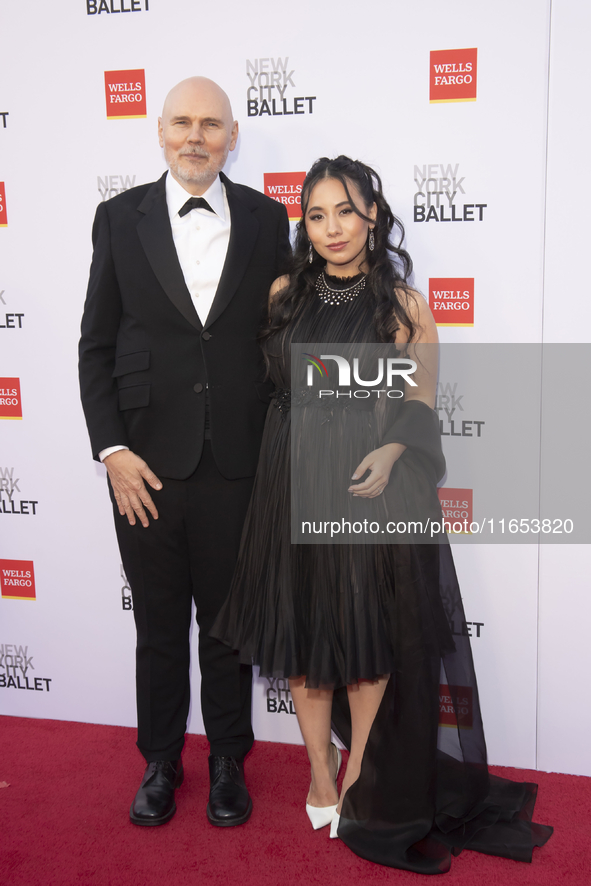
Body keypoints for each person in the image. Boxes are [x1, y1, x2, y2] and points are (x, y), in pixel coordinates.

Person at [211, 156, 552, 873]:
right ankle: (318, 775)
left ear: (373, 216)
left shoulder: (404, 307)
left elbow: (420, 405)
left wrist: (395, 447)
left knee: (365, 641)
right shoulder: (280, 295)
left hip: (367, 487)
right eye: (316, 214)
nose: (331, 228)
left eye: (345, 211)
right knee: (303, 647)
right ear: (303, 224)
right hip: (288, 482)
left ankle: (361, 770)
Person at [78, 76, 290, 828]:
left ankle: (229, 759)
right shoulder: (117, 218)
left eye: (210, 124)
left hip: (239, 460)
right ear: (159, 131)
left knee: (229, 628)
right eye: (181, 123)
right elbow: (96, 345)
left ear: (232, 136)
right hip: (144, 467)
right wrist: (110, 449)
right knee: (159, 623)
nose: (195, 136)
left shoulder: (270, 220)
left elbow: (281, 337)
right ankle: (161, 761)